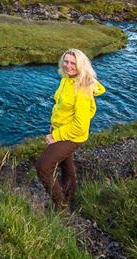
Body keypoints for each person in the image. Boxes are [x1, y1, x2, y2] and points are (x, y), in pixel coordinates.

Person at [35, 48, 106, 210]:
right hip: (62, 129)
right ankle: (70, 197)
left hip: (73, 135)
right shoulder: (67, 79)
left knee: (43, 167)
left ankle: (60, 206)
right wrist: (54, 125)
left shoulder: (82, 89)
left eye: (73, 63)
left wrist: (56, 135)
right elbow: (62, 107)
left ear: (82, 65)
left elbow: (80, 126)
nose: (68, 66)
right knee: (66, 166)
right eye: (66, 61)